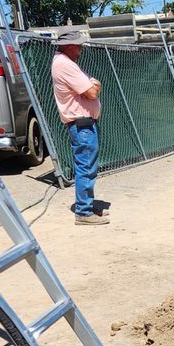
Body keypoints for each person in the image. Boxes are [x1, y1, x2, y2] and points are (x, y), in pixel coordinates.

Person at [51, 29, 109, 226]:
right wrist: (93, 85)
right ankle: (83, 212)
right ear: (69, 46)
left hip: (84, 124)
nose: (80, 49)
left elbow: (91, 89)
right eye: (78, 45)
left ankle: (86, 206)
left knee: (88, 166)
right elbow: (92, 92)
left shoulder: (66, 63)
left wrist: (92, 86)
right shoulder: (65, 64)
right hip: (81, 124)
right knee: (85, 167)